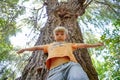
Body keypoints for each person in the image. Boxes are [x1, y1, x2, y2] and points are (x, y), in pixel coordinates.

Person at [17, 26, 104, 80]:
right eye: (57, 34)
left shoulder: (70, 44)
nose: (59, 35)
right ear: (54, 36)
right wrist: (25, 49)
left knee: (78, 78)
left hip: (71, 65)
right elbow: (36, 47)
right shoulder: (49, 45)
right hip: (54, 70)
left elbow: (83, 45)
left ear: (65, 36)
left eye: (62, 34)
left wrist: (95, 45)